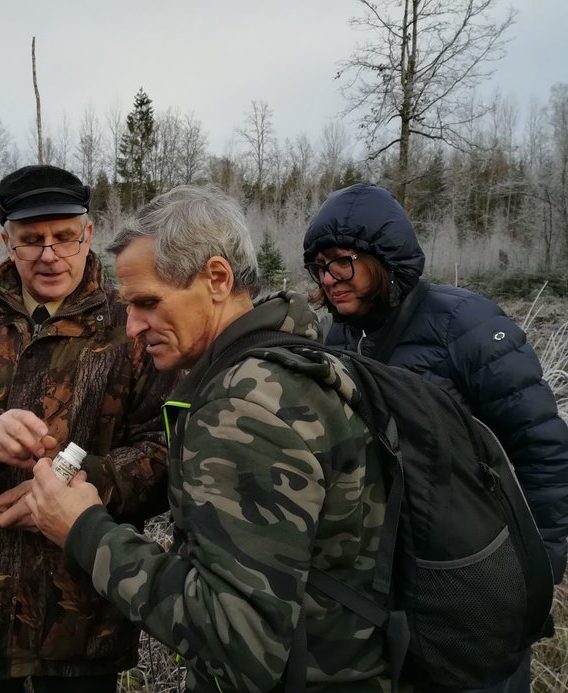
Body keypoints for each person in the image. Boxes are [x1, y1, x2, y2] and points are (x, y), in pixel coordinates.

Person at [24, 185, 400, 691]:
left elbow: (239, 642)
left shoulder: (244, 408)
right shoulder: (296, 362)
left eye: (148, 303)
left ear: (217, 279)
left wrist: (84, 531)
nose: (132, 326)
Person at [0, 164, 178, 692]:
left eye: (64, 237)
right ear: (8, 241)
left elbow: (165, 454)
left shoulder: (130, 325)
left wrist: (76, 482)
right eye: (32, 240)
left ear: (87, 235)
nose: (49, 254)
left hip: (80, 613)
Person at [302, 181, 568, 693]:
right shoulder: (339, 338)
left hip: (474, 573)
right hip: (390, 577)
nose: (328, 279)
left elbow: (542, 449)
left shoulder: (465, 326)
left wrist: (537, 566)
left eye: (342, 262)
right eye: (319, 268)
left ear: (386, 257)